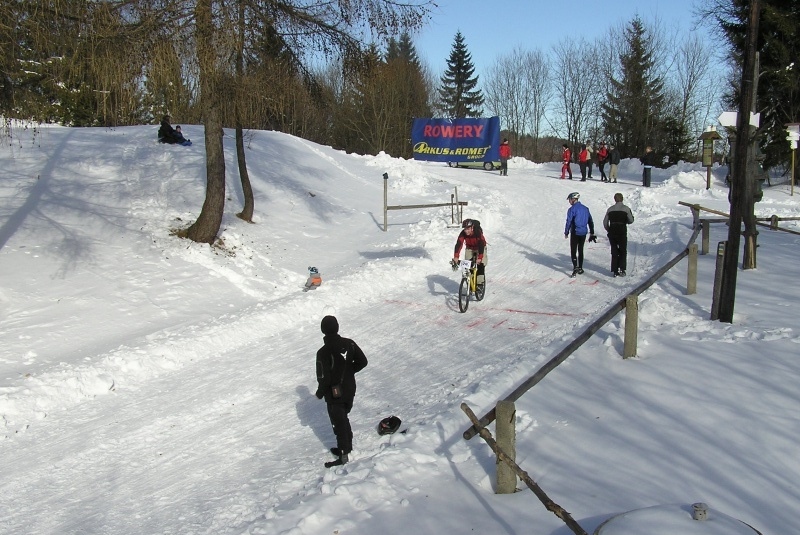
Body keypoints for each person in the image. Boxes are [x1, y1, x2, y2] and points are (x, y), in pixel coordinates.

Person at [315, 315, 368, 466]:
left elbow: (323, 377)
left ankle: (343, 455)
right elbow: (363, 362)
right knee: (343, 417)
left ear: (323, 330)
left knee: (338, 422)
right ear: (337, 327)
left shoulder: (323, 352)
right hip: (350, 388)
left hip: (334, 393)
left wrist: (319, 393)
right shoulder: (349, 343)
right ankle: (347, 447)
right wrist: (350, 372)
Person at [564, 192, 596, 277]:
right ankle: (580, 267)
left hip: (575, 232)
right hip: (583, 232)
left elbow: (569, 222)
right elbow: (590, 221)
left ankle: (575, 267)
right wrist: (592, 232)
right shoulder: (586, 208)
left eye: (570, 200)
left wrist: (566, 232)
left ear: (573, 199)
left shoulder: (572, 209)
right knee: (581, 249)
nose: (569, 202)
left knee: (573, 250)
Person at [603, 192, 634, 277]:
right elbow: (631, 220)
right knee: (623, 250)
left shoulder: (610, 209)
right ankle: (622, 269)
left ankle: (615, 270)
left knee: (614, 250)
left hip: (612, 231)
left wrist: (609, 229)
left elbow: (605, 222)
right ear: (622, 199)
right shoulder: (626, 209)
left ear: (614, 199)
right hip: (622, 231)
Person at [452, 218, 487, 286]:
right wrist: (456, 257)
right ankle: (471, 282)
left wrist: (480, 257)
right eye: (465, 229)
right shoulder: (463, 234)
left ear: (472, 228)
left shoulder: (477, 232)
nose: (466, 231)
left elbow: (481, 244)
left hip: (480, 248)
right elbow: (459, 244)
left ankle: (480, 284)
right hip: (470, 248)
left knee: (481, 264)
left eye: (468, 229)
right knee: (468, 265)